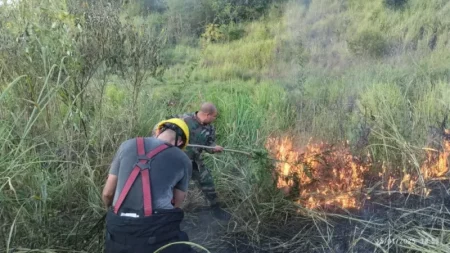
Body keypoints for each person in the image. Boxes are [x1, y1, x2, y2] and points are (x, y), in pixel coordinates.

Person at [102, 118, 195, 253]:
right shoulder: (183, 159)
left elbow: (107, 193)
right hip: (156, 229)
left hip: (117, 226)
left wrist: (114, 214)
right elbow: (177, 202)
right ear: (180, 142)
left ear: (158, 130)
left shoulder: (126, 145)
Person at [161, 102, 230, 220]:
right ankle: (166, 213)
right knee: (169, 187)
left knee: (208, 183)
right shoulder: (183, 119)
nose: (215, 119)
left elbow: (209, 145)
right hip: (177, 161)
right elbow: (162, 129)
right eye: (214, 116)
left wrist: (214, 148)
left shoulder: (210, 128)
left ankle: (216, 209)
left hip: (195, 162)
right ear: (208, 115)